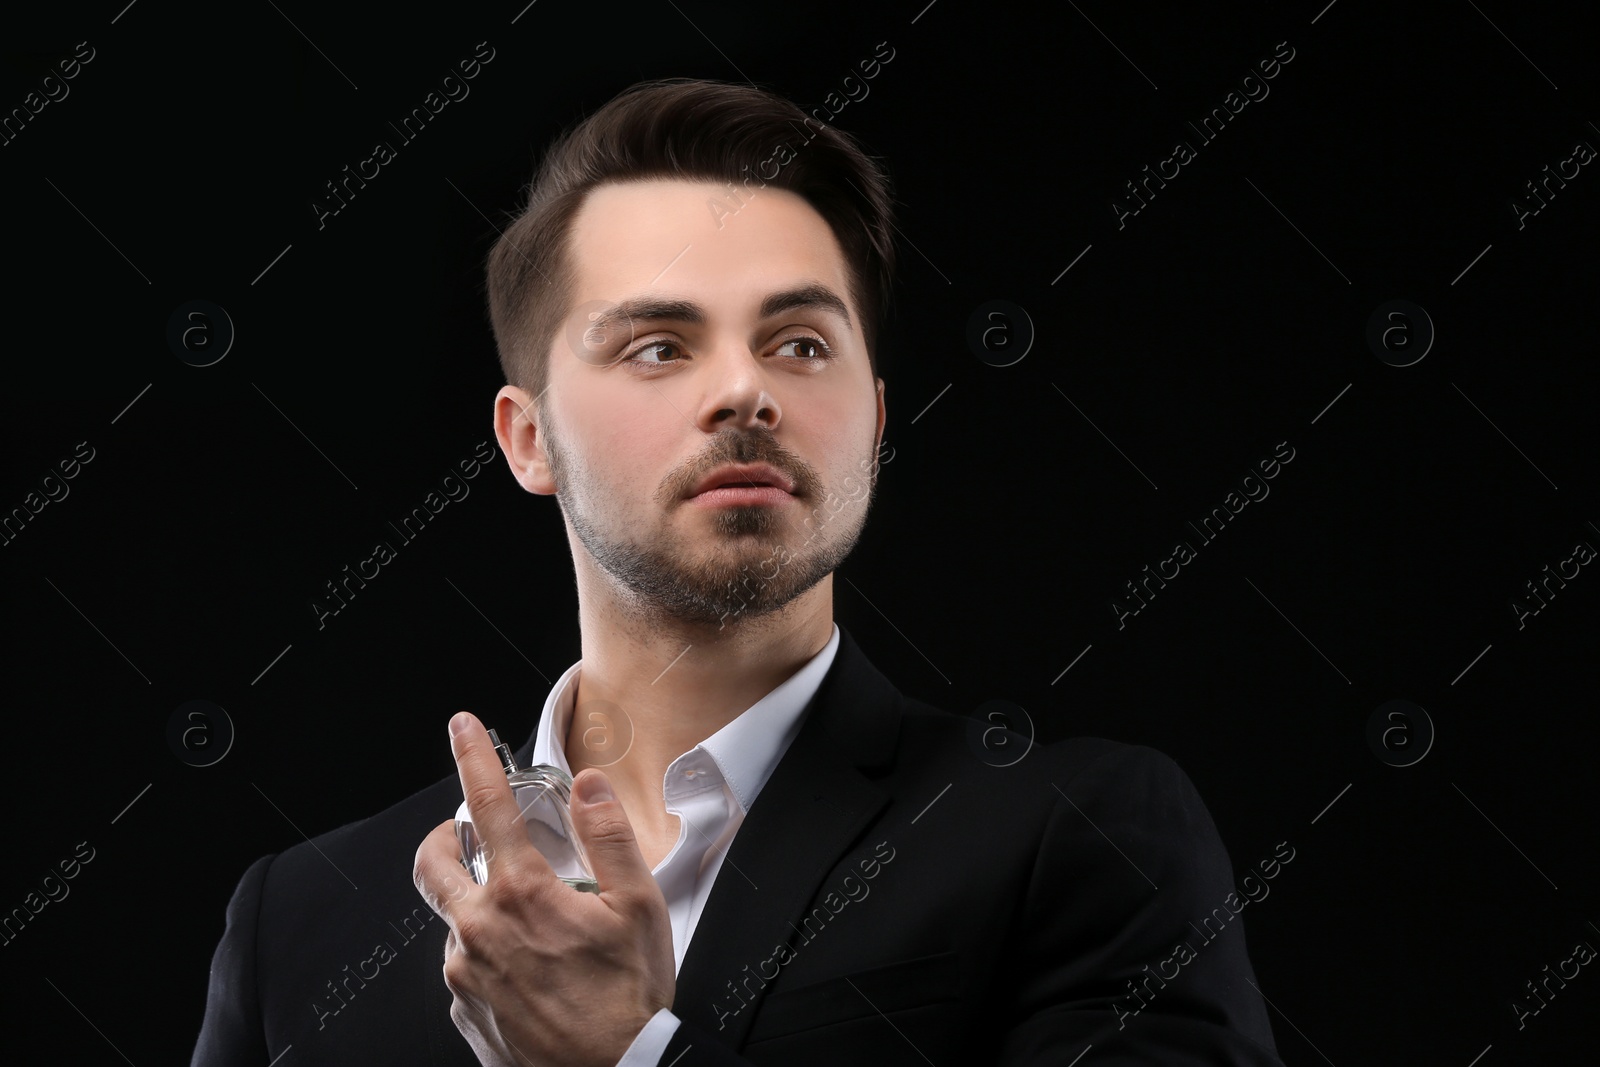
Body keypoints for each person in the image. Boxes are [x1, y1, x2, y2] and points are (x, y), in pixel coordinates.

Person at [192, 76, 1287, 1066]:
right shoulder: (299, 921)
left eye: (800, 342)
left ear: (873, 419)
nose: (744, 391)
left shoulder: (1075, 835)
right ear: (528, 439)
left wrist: (629, 1055)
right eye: (658, 346)